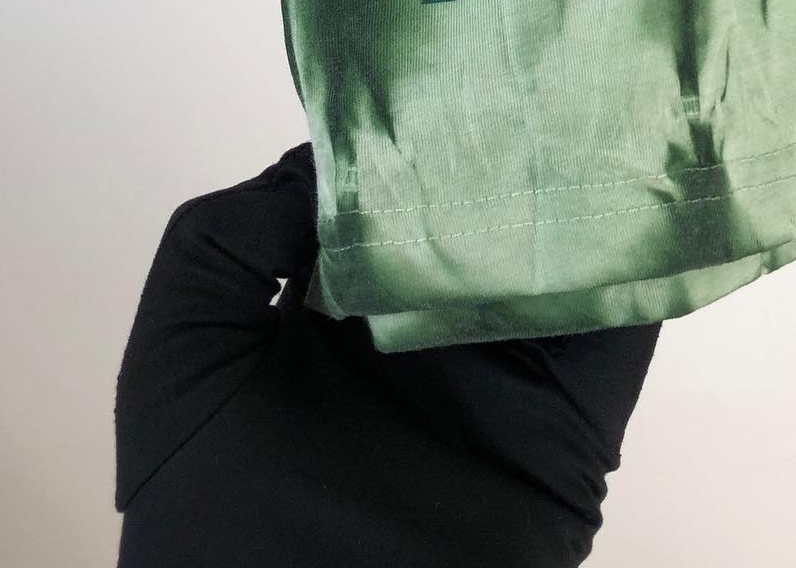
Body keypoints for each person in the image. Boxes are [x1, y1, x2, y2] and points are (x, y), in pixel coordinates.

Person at [113, 143, 661, 566]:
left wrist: (368, 168)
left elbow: (212, 247)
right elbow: (211, 244)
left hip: (545, 413)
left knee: (636, 113)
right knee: (628, 104)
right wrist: (366, 166)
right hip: (545, 421)